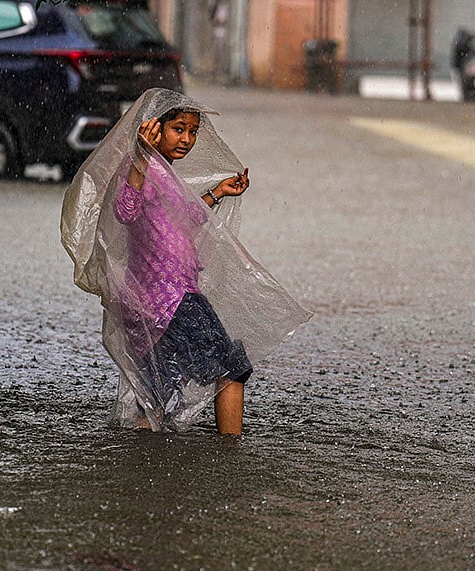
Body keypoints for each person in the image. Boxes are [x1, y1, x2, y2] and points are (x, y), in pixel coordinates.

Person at [61, 88, 309, 435]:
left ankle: (143, 469)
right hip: (169, 299)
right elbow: (125, 209)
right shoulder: (141, 169)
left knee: (159, 395)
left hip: (151, 301)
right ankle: (230, 457)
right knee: (232, 368)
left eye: (193, 131)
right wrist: (140, 158)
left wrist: (218, 192)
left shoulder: (166, 174)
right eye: (179, 129)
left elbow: (182, 222)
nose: (187, 139)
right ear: (154, 129)